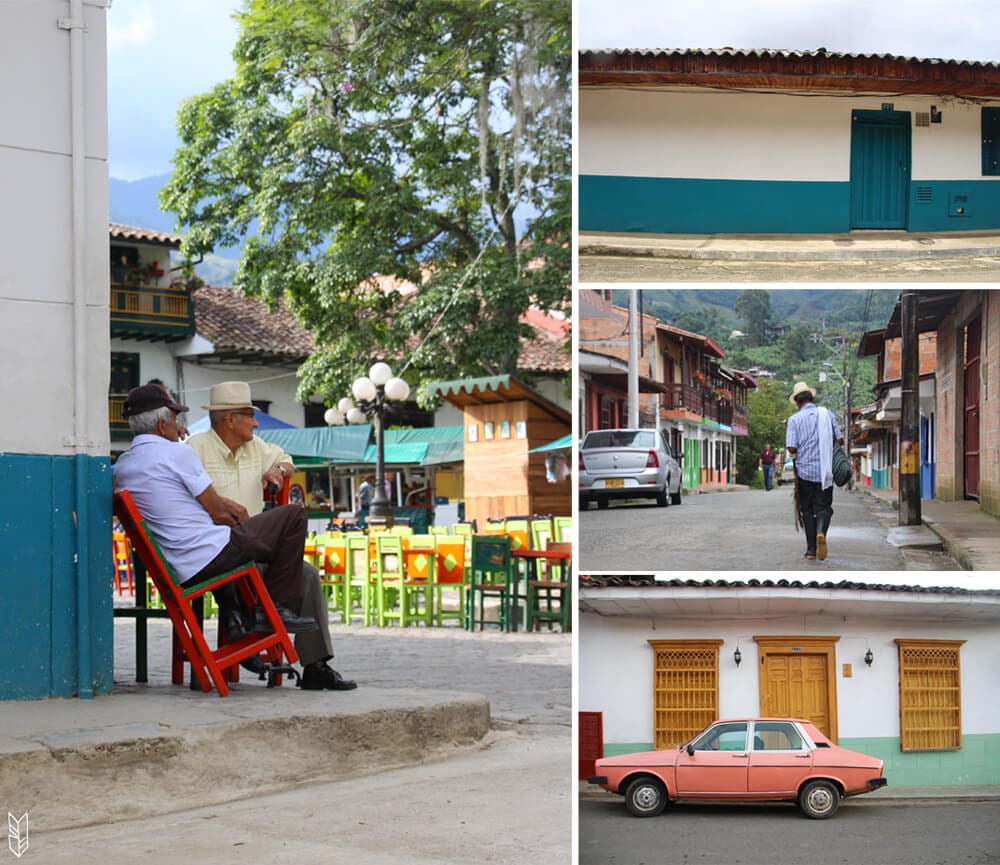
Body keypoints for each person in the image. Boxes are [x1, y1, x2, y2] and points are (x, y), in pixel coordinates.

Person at [112, 384, 318, 663]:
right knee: (292, 517)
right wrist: (241, 517)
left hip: (180, 565)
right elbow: (219, 514)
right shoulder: (182, 452)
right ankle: (271, 609)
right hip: (211, 555)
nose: (179, 425)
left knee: (234, 539)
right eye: (174, 420)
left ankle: (242, 620)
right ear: (162, 425)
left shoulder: (123, 465)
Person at [188, 381, 357, 691]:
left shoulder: (258, 447)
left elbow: (287, 459)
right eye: (250, 415)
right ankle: (257, 621)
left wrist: (277, 469)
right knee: (293, 519)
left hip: (255, 549)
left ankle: (315, 665)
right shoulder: (193, 449)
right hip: (216, 551)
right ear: (230, 419)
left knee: (308, 575)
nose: (255, 422)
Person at [785, 381, 843, 562]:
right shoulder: (827, 415)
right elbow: (839, 440)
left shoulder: (794, 420)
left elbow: (792, 448)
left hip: (805, 473)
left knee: (807, 510)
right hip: (826, 472)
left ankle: (811, 550)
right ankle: (821, 532)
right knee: (824, 507)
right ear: (811, 398)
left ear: (797, 402)